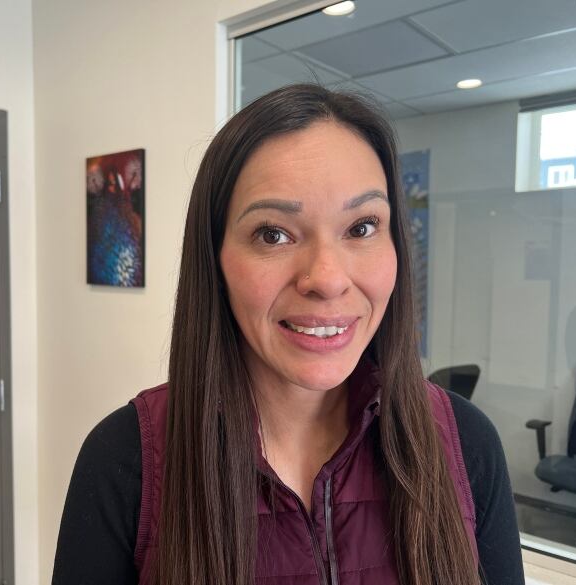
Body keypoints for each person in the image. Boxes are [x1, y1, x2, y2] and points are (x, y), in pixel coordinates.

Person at [53, 84, 524, 585]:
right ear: (215, 261)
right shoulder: (126, 461)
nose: (326, 278)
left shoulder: (465, 445)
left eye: (362, 227)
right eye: (273, 234)